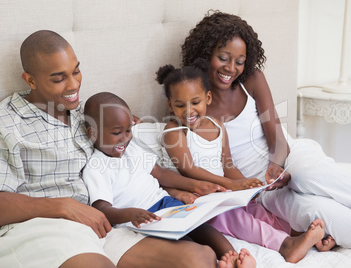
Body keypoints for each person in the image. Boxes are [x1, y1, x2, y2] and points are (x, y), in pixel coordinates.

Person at [0, 30, 222, 268]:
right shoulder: (1, 124)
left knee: (198, 259)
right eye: (58, 78)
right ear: (30, 80)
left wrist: (179, 187)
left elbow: (130, 157)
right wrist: (63, 206)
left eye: (76, 71)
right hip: (38, 228)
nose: (74, 85)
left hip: (102, 223)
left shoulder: (89, 113)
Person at [179, 10, 350, 250]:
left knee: (308, 175)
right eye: (223, 58)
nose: (231, 68)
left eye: (239, 61)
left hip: (288, 156)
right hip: (262, 190)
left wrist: (278, 165)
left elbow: (276, 135)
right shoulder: (194, 103)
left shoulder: (251, 80)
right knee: (326, 215)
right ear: (206, 53)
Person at [156, 58, 327, 263]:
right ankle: (286, 246)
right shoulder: (173, 131)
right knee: (236, 219)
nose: (189, 111)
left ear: (208, 97)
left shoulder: (217, 125)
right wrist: (231, 184)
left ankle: (298, 235)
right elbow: (188, 169)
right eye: (179, 105)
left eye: (195, 102)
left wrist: (246, 185)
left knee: (256, 209)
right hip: (198, 196)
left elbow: (228, 165)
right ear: (170, 105)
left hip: (223, 191)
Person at [82, 91, 256, 268]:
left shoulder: (132, 149)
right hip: (141, 221)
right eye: (117, 132)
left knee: (200, 226)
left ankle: (231, 256)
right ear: (93, 134)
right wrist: (131, 213)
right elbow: (102, 208)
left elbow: (161, 174)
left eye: (128, 130)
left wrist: (197, 185)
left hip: (165, 203)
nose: (126, 138)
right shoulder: (96, 166)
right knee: (184, 241)